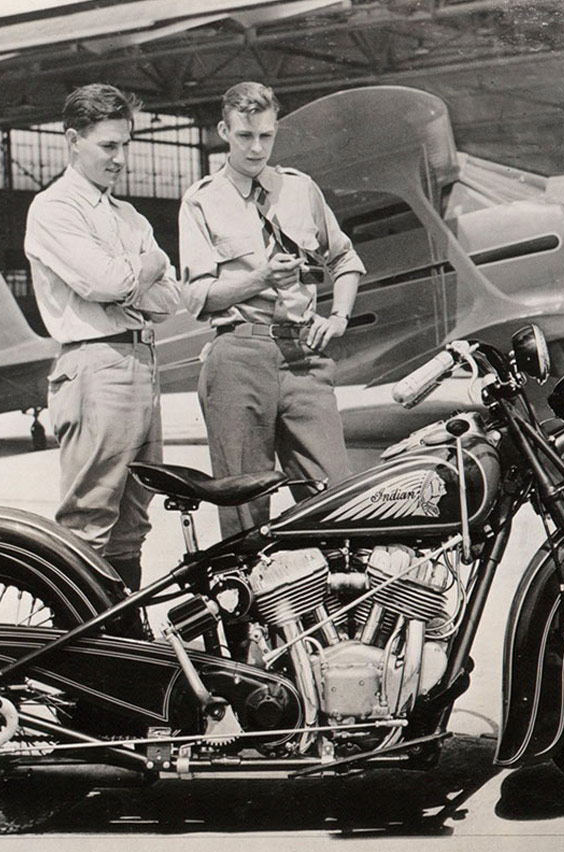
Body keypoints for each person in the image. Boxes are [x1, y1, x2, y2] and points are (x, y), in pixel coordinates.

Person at [179, 81, 366, 537]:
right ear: (224, 131)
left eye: (266, 135)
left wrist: (338, 317)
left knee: (337, 501)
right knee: (243, 512)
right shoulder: (201, 200)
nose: (256, 148)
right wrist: (261, 278)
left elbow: (345, 260)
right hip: (238, 359)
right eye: (245, 136)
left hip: (304, 359)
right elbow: (198, 298)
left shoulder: (301, 190)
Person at [24, 83, 180, 592]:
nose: (120, 158)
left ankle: (126, 632)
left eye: (125, 145)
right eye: (108, 146)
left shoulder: (128, 216)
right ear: (74, 140)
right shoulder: (54, 208)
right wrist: (149, 264)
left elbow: (169, 300)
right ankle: (79, 635)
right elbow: (106, 283)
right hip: (94, 366)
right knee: (88, 522)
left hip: (141, 363)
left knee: (133, 520)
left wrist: (130, 280)